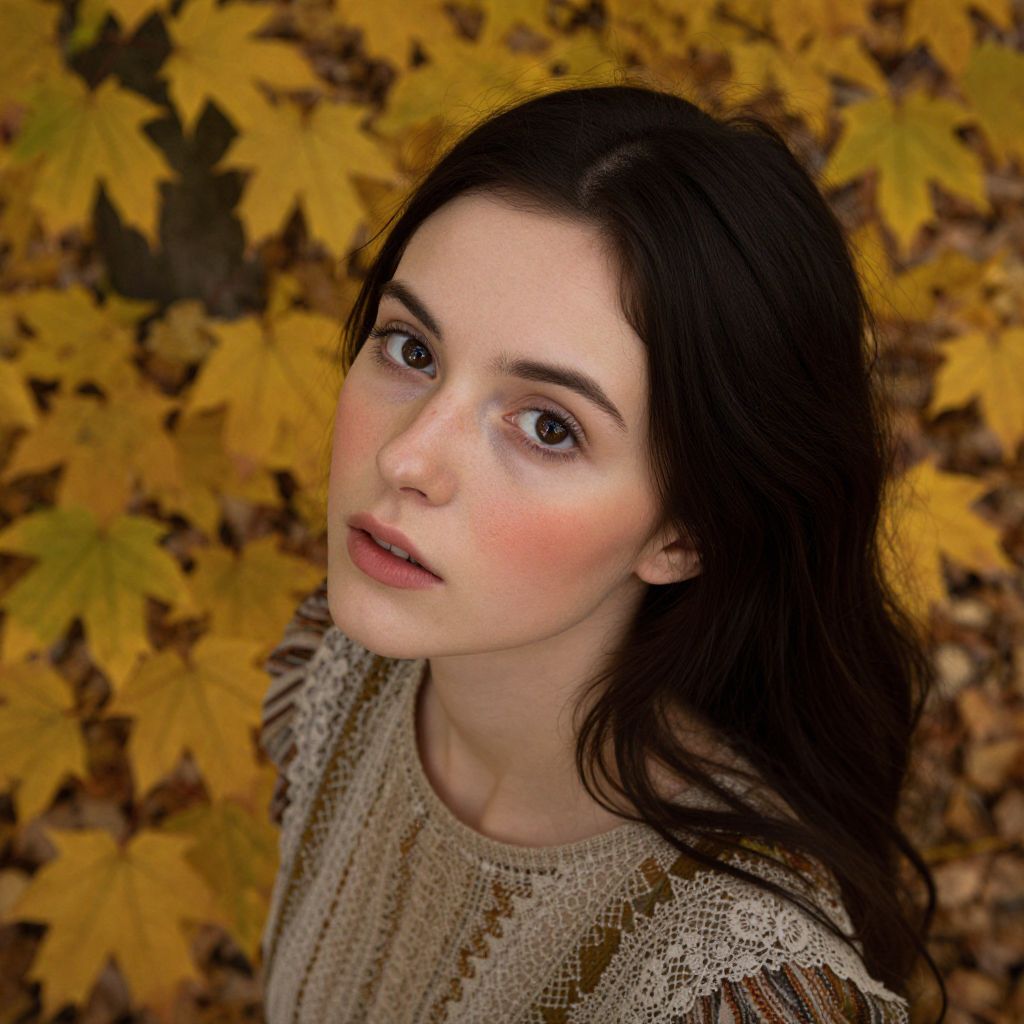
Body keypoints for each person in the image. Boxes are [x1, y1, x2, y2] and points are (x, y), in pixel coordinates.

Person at [256, 82, 945, 1023]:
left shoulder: (731, 994)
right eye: (411, 349)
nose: (404, 456)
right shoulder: (339, 679)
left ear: (686, 531)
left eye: (546, 425)